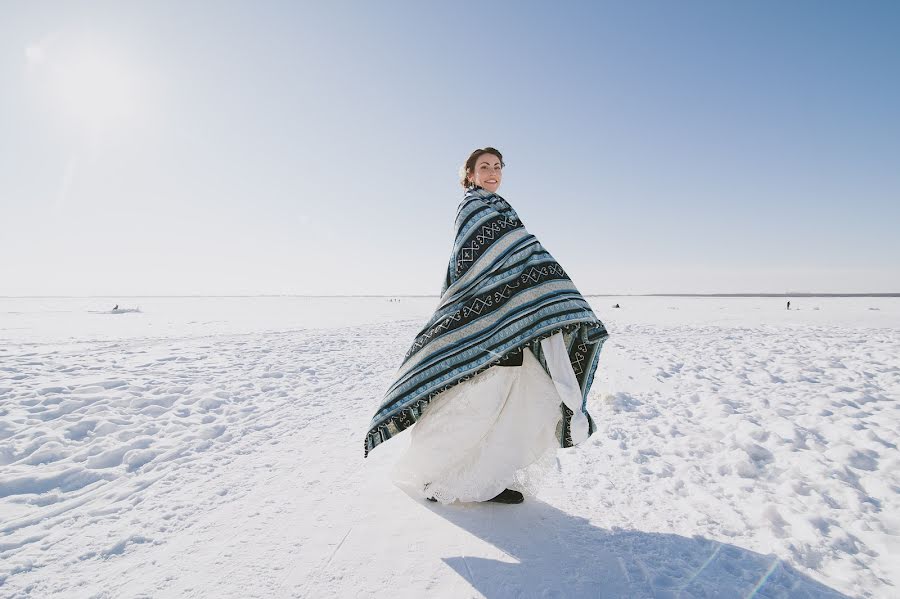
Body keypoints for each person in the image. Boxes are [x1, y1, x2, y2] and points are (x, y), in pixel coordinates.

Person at [364, 147, 609, 505]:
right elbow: (484, 264)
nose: (492, 172)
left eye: (497, 167)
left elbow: (526, 257)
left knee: (512, 404)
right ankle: (433, 476)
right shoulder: (473, 209)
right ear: (471, 174)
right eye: (485, 167)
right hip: (484, 322)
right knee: (474, 403)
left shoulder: (503, 209)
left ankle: (487, 480)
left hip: (511, 320)